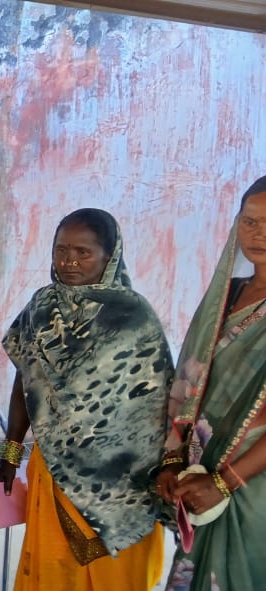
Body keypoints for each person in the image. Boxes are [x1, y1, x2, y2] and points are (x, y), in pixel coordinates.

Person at [0, 208, 171, 590]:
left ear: (110, 256)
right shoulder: (41, 307)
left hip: (123, 482)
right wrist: (10, 453)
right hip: (53, 468)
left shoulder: (134, 317)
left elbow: (156, 407)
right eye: (61, 250)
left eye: (83, 252)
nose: (69, 262)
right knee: (53, 571)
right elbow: (26, 380)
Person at [157, 177, 266, 591]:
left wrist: (225, 482)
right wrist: (172, 458)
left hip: (253, 486)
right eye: (250, 222)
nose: (259, 234)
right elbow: (189, 379)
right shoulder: (228, 295)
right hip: (201, 474)